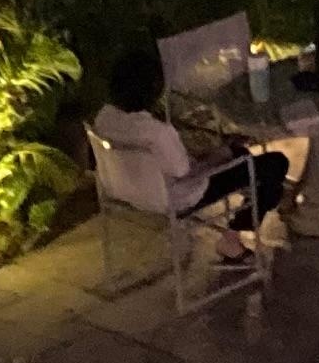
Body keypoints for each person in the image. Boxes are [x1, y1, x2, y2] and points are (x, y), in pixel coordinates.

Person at [96, 42, 289, 242]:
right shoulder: (158, 132)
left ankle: (263, 199)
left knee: (240, 156)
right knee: (275, 163)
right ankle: (234, 236)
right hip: (178, 198)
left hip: (126, 192)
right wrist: (216, 155)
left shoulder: (103, 117)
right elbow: (183, 171)